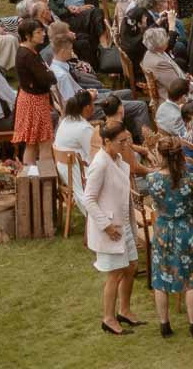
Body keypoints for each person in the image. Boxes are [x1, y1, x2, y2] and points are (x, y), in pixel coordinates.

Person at [82, 121, 143, 335]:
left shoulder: (116, 158)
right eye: (121, 141)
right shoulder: (99, 164)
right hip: (110, 227)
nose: (125, 144)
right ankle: (108, 318)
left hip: (123, 222)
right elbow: (88, 199)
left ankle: (124, 310)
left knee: (132, 265)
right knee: (115, 273)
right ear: (107, 141)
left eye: (127, 140)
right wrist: (106, 226)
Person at [144, 135, 193, 337]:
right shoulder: (190, 178)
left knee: (160, 277)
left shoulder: (152, 180)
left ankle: (164, 325)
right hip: (185, 229)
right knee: (190, 278)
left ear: (161, 155)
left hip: (162, 229)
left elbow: (155, 202)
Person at [50, 29, 149, 141]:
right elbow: (73, 104)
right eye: (70, 49)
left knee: (128, 93)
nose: (72, 52)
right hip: (87, 108)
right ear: (62, 51)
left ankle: (130, 136)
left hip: (87, 97)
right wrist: (90, 96)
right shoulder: (62, 75)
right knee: (140, 106)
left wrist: (88, 92)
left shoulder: (56, 66)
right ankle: (147, 141)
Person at [142, 28, 193, 114]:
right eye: (165, 37)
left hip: (176, 90)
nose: (168, 38)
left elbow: (175, 76)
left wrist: (190, 78)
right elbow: (177, 89)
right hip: (178, 99)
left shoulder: (151, 53)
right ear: (159, 44)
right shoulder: (158, 63)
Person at [13, 17, 56, 165]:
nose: (43, 34)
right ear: (27, 35)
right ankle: (44, 180)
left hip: (31, 98)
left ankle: (31, 178)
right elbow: (47, 78)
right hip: (34, 101)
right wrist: (50, 73)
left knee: (33, 144)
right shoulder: (27, 55)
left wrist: (48, 73)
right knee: (44, 143)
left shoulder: (28, 51)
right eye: (38, 32)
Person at [55, 92, 99, 183]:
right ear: (87, 107)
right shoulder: (84, 129)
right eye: (93, 103)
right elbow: (95, 156)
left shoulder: (65, 121)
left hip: (65, 173)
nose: (94, 106)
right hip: (79, 176)